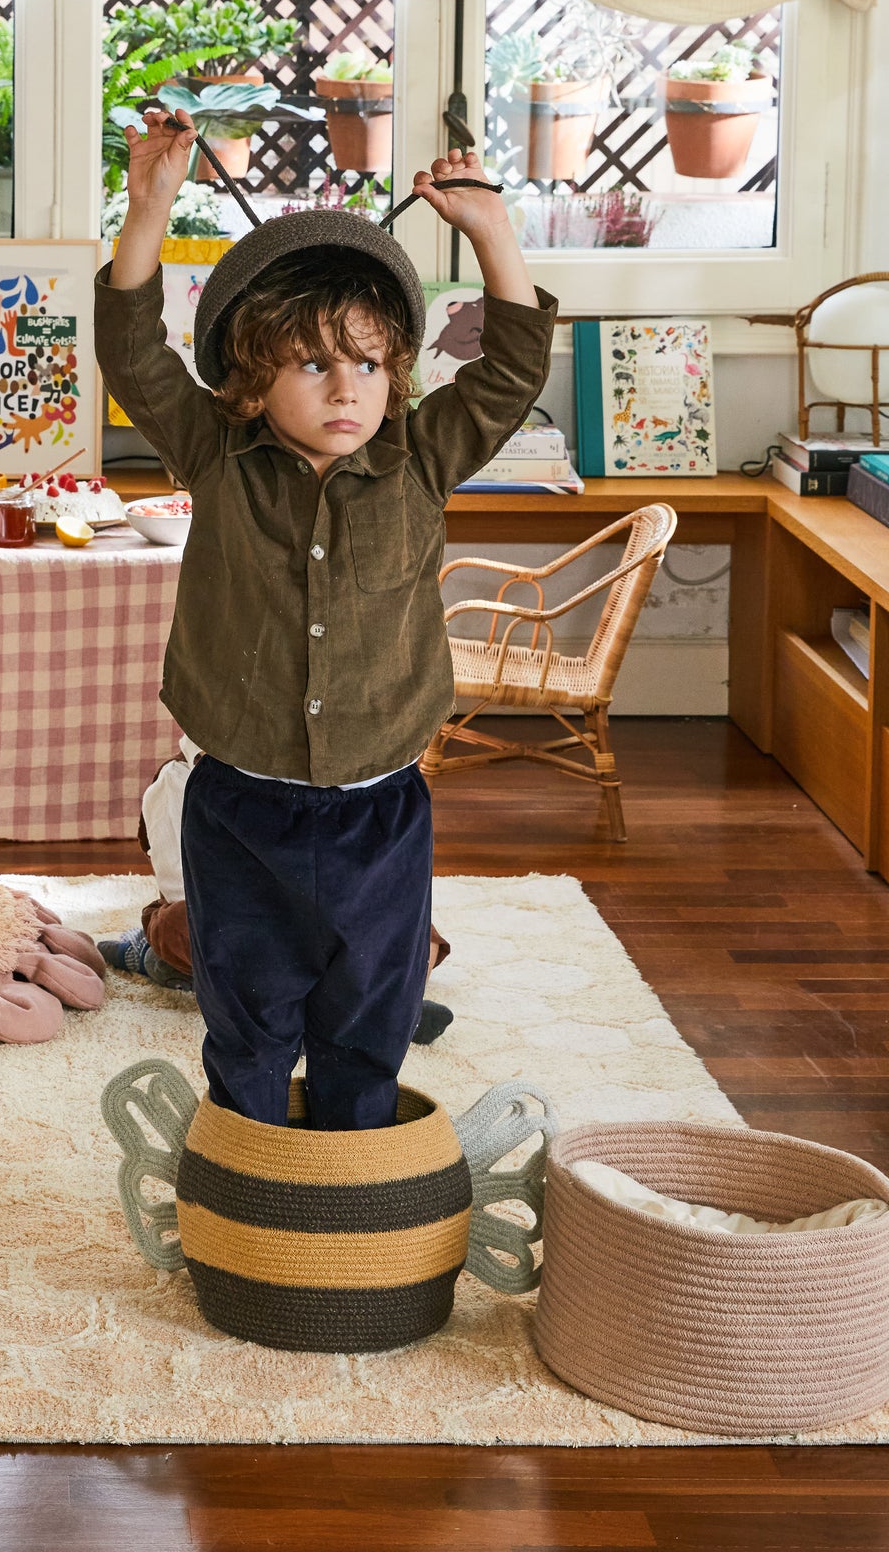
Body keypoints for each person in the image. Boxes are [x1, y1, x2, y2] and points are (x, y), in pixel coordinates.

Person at [95, 106, 555, 1130]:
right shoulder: (214, 458)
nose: (346, 387)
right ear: (252, 385)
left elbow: (513, 366)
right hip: (238, 805)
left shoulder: (421, 457)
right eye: (311, 364)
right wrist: (148, 208)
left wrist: (489, 232)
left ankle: (350, 1191)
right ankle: (250, 1176)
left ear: (395, 371)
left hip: (378, 808)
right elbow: (132, 353)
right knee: (247, 1018)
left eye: (366, 362)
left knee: (366, 1021)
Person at [99, 737, 457, 1044]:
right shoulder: (179, 783)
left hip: (323, 916)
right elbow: (184, 892)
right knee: (183, 924)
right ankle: (161, 961)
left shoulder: (326, 779)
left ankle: (386, 1006)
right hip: (246, 929)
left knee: (409, 925)